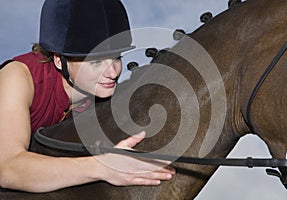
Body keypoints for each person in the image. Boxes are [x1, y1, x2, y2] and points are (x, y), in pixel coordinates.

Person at [0, 0, 175, 193]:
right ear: (60, 60)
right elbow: (8, 169)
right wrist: (103, 167)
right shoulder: (18, 77)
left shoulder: (100, 98)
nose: (113, 72)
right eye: (97, 61)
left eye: (117, 57)